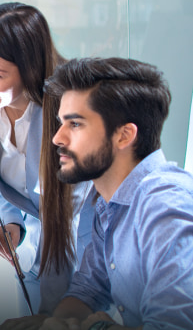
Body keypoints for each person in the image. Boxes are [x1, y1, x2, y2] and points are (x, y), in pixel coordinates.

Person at [0, 2, 96, 321]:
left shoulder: (71, 111)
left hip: (85, 254)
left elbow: (69, 213)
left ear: (30, 71)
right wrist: (10, 221)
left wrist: (51, 316)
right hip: (32, 253)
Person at [37, 57, 193, 329]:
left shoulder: (164, 205)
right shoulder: (109, 206)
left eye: (75, 124)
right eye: (61, 123)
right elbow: (88, 290)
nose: (57, 138)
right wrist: (48, 324)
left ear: (124, 136)